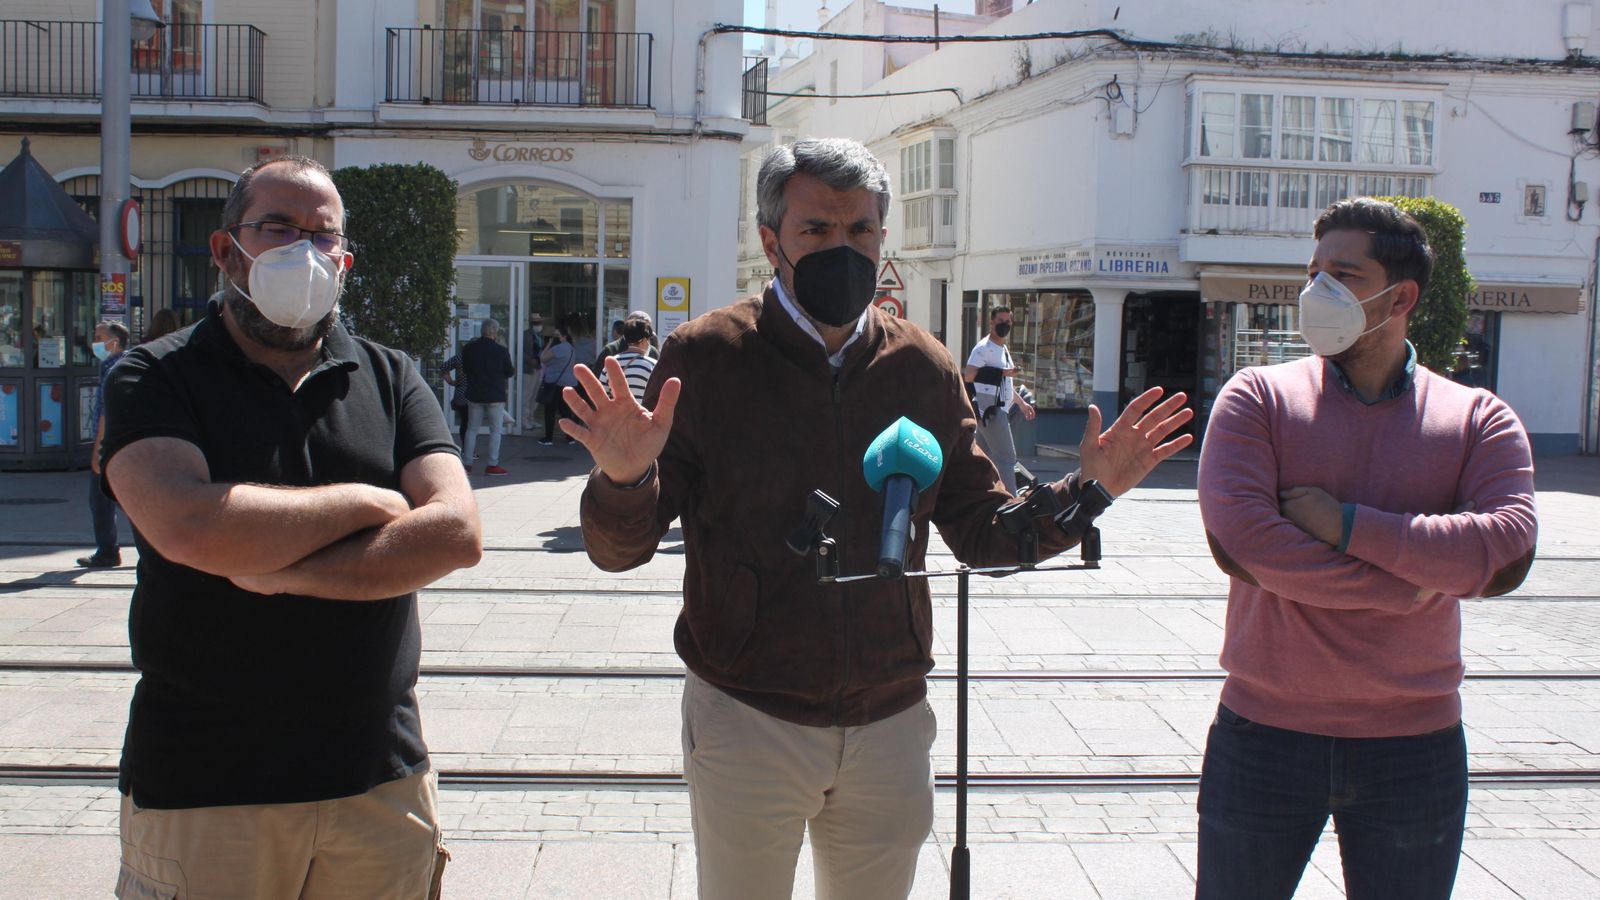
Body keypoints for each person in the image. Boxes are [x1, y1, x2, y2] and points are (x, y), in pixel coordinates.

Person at [569, 138, 1193, 900]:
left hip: (891, 718)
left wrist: (1088, 492)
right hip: (747, 713)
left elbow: (986, 534)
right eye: (816, 231)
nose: (843, 248)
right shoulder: (704, 357)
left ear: (882, 237)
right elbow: (617, 550)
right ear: (772, 241)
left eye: (859, 230)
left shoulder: (923, 366)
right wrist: (624, 477)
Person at [99, 155, 483, 899]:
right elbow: (189, 525)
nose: (303, 251)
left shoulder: (390, 374)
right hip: (206, 786)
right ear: (226, 249)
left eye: (323, 235)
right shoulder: (154, 375)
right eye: (278, 227)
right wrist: (372, 504)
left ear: (344, 259)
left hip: (379, 780)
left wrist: (285, 571)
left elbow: (455, 534)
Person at [1194, 197, 1538, 900]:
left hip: (1415, 749)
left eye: (1343, 275)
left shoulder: (1479, 418)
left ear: (1401, 296)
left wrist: (1347, 526)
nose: (1317, 291)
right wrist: (1419, 577)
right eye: (1312, 271)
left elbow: (1505, 546)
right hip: (1263, 736)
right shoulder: (1255, 398)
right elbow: (1247, 545)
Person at [963, 305, 1035, 494]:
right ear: (991, 322)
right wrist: (1002, 372)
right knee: (1007, 459)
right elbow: (969, 375)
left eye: (1008, 321)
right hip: (991, 411)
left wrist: (1021, 403)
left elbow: (1005, 383)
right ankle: (1011, 499)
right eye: (1001, 321)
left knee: (982, 458)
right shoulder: (984, 348)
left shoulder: (1002, 349)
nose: (1005, 325)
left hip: (996, 409)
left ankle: (977, 496)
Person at [76, 321, 128, 569]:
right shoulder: (117, 365)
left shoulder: (113, 369)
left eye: (99, 337)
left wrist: (99, 449)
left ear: (114, 342)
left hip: (110, 447)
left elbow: (106, 414)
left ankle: (108, 551)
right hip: (119, 446)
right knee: (119, 499)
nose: (95, 342)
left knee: (100, 499)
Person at [462, 317, 516, 476]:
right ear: (495, 332)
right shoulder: (501, 350)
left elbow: (465, 369)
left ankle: (467, 464)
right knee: (495, 431)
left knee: (472, 429)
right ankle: (492, 464)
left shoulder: (469, 348)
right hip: (495, 395)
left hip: (475, 394)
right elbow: (510, 372)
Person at [596, 314, 656, 403]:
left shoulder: (611, 364)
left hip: (617, 415)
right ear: (643, 341)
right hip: (643, 415)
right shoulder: (653, 365)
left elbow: (602, 394)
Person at [537, 324, 579, 446]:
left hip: (555, 382)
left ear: (564, 336)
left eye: (556, 336)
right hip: (569, 382)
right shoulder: (571, 348)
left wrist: (549, 344)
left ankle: (548, 438)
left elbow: (543, 358)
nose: (554, 338)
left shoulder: (558, 348)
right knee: (565, 410)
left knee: (550, 410)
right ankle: (570, 436)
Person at [441, 350, 471, 448]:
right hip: (476, 394)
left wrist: (451, 382)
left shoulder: (460, 357)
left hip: (461, 394)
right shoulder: (481, 357)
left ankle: (467, 448)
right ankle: (469, 449)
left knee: (465, 422)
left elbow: (444, 367)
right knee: (472, 424)